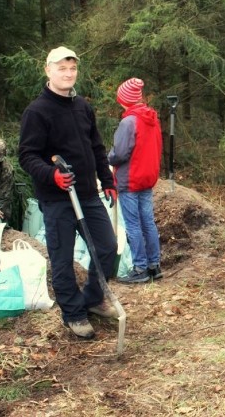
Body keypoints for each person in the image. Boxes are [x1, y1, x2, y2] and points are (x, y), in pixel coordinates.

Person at [18, 46, 120, 340]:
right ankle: (73, 313)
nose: (68, 74)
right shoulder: (37, 112)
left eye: (72, 69)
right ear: (48, 70)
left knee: (106, 247)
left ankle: (93, 298)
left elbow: (97, 149)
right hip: (57, 199)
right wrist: (52, 175)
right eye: (62, 68)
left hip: (87, 194)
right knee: (61, 259)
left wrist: (107, 179)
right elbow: (27, 156)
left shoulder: (83, 107)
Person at [109, 78, 164, 284]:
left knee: (133, 224)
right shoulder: (152, 118)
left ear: (124, 99)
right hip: (147, 178)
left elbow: (120, 154)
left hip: (130, 180)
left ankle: (139, 268)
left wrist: (107, 157)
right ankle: (154, 266)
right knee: (148, 222)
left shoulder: (128, 121)